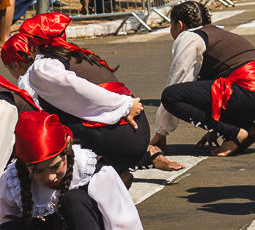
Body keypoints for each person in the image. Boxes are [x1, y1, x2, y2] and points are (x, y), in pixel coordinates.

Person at [1, 14, 149, 180]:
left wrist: (125, 105)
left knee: (49, 127)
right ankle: (116, 170)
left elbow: (82, 89)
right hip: (133, 130)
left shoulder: (43, 67)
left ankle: (100, 174)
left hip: (125, 135)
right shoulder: (72, 53)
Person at [0, 111, 147, 230]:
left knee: (74, 200)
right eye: (38, 171)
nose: (50, 177)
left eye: (55, 166)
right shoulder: (14, 180)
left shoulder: (97, 175)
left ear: (66, 151)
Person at [149, 1, 255, 159]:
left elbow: (178, 80)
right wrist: (214, 130)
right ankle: (248, 129)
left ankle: (234, 133)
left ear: (179, 25)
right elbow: (210, 90)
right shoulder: (218, 33)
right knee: (195, 89)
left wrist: (161, 132)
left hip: (250, 90)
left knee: (171, 95)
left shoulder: (190, 37)